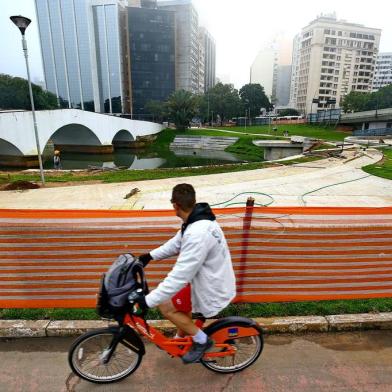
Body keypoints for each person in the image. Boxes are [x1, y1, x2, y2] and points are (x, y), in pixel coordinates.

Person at [137, 183, 236, 364]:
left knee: (166, 306)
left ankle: (202, 340)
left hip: (210, 287)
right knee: (177, 304)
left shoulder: (197, 233)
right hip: (209, 278)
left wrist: (148, 301)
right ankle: (179, 342)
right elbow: (177, 243)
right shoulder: (197, 221)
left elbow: (180, 275)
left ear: (175, 205)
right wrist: (149, 256)